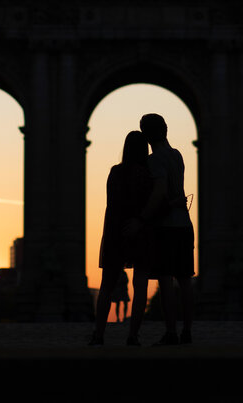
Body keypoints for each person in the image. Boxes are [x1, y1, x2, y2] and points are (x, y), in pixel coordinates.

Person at [90, 131, 151, 346]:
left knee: (107, 286)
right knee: (140, 284)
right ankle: (133, 336)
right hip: (140, 231)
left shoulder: (115, 173)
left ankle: (98, 335)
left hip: (116, 231)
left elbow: (111, 205)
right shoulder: (147, 174)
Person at [138, 113, 194, 345]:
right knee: (185, 280)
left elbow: (160, 191)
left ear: (146, 135)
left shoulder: (154, 160)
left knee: (165, 280)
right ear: (166, 129)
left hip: (166, 226)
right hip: (185, 223)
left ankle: (171, 332)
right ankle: (187, 332)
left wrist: (143, 217)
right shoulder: (177, 155)